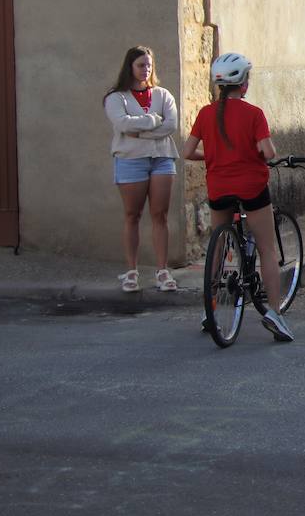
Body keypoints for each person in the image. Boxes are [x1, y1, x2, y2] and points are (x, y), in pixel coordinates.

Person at [183, 53, 294, 341]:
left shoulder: (206, 113)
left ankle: (211, 309)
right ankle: (274, 312)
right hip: (252, 187)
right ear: (243, 84)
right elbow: (268, 152)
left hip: (219, 187)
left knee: (217, 249)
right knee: (268, 250)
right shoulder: (253, 113)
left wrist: (216, 155)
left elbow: (187, 151)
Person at [103, 45, 180, 293]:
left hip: (162, 158)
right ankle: (132, 271)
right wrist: (151, 121)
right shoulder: (116, 97)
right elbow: (123, 124)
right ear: (130, 67)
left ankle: (162, 270)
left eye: (148, 65)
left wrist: (140, 131)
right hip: (130, 159)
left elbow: (170, 126)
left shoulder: (163, 95)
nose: (145, 70)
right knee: (132, 215)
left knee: (160, 214)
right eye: (140, 65)